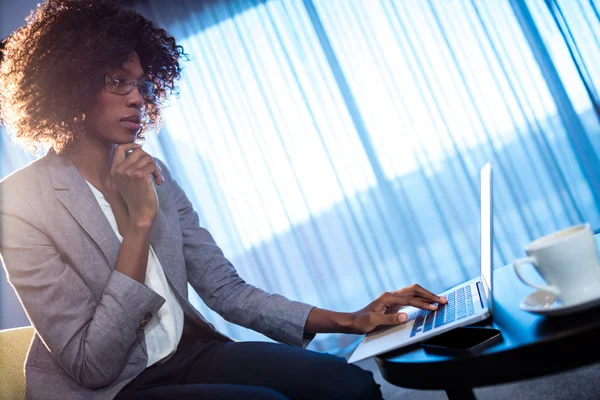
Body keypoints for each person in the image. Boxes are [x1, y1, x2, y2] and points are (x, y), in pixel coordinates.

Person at [0, 1, 447, 399]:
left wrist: (352, 319)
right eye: (118, 82)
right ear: (69, 89)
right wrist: (138, 225)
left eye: (141, 84)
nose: (137, 99)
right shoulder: (18, 205)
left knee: (348, 384)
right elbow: (93, 365)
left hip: (187, 354)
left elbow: (225, 290)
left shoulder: (155, 175)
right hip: (113, 390)